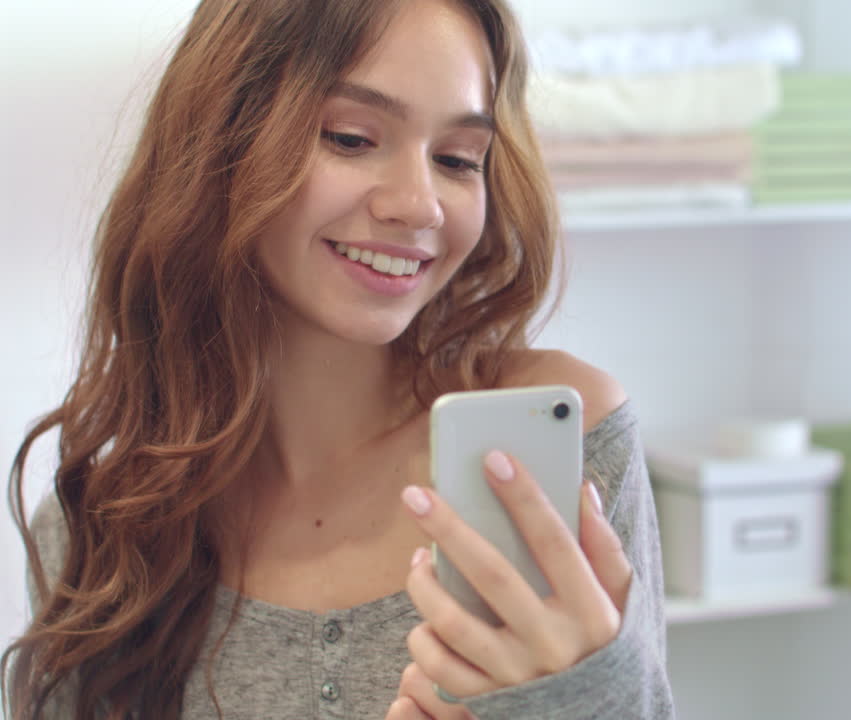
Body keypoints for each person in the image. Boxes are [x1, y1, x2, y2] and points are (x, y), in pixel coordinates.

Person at [1, 1, 674, 718]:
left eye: (456, 160)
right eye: (351, 139)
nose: (420, 206)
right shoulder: (107, 523)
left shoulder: (564, 443)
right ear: (220, 140)